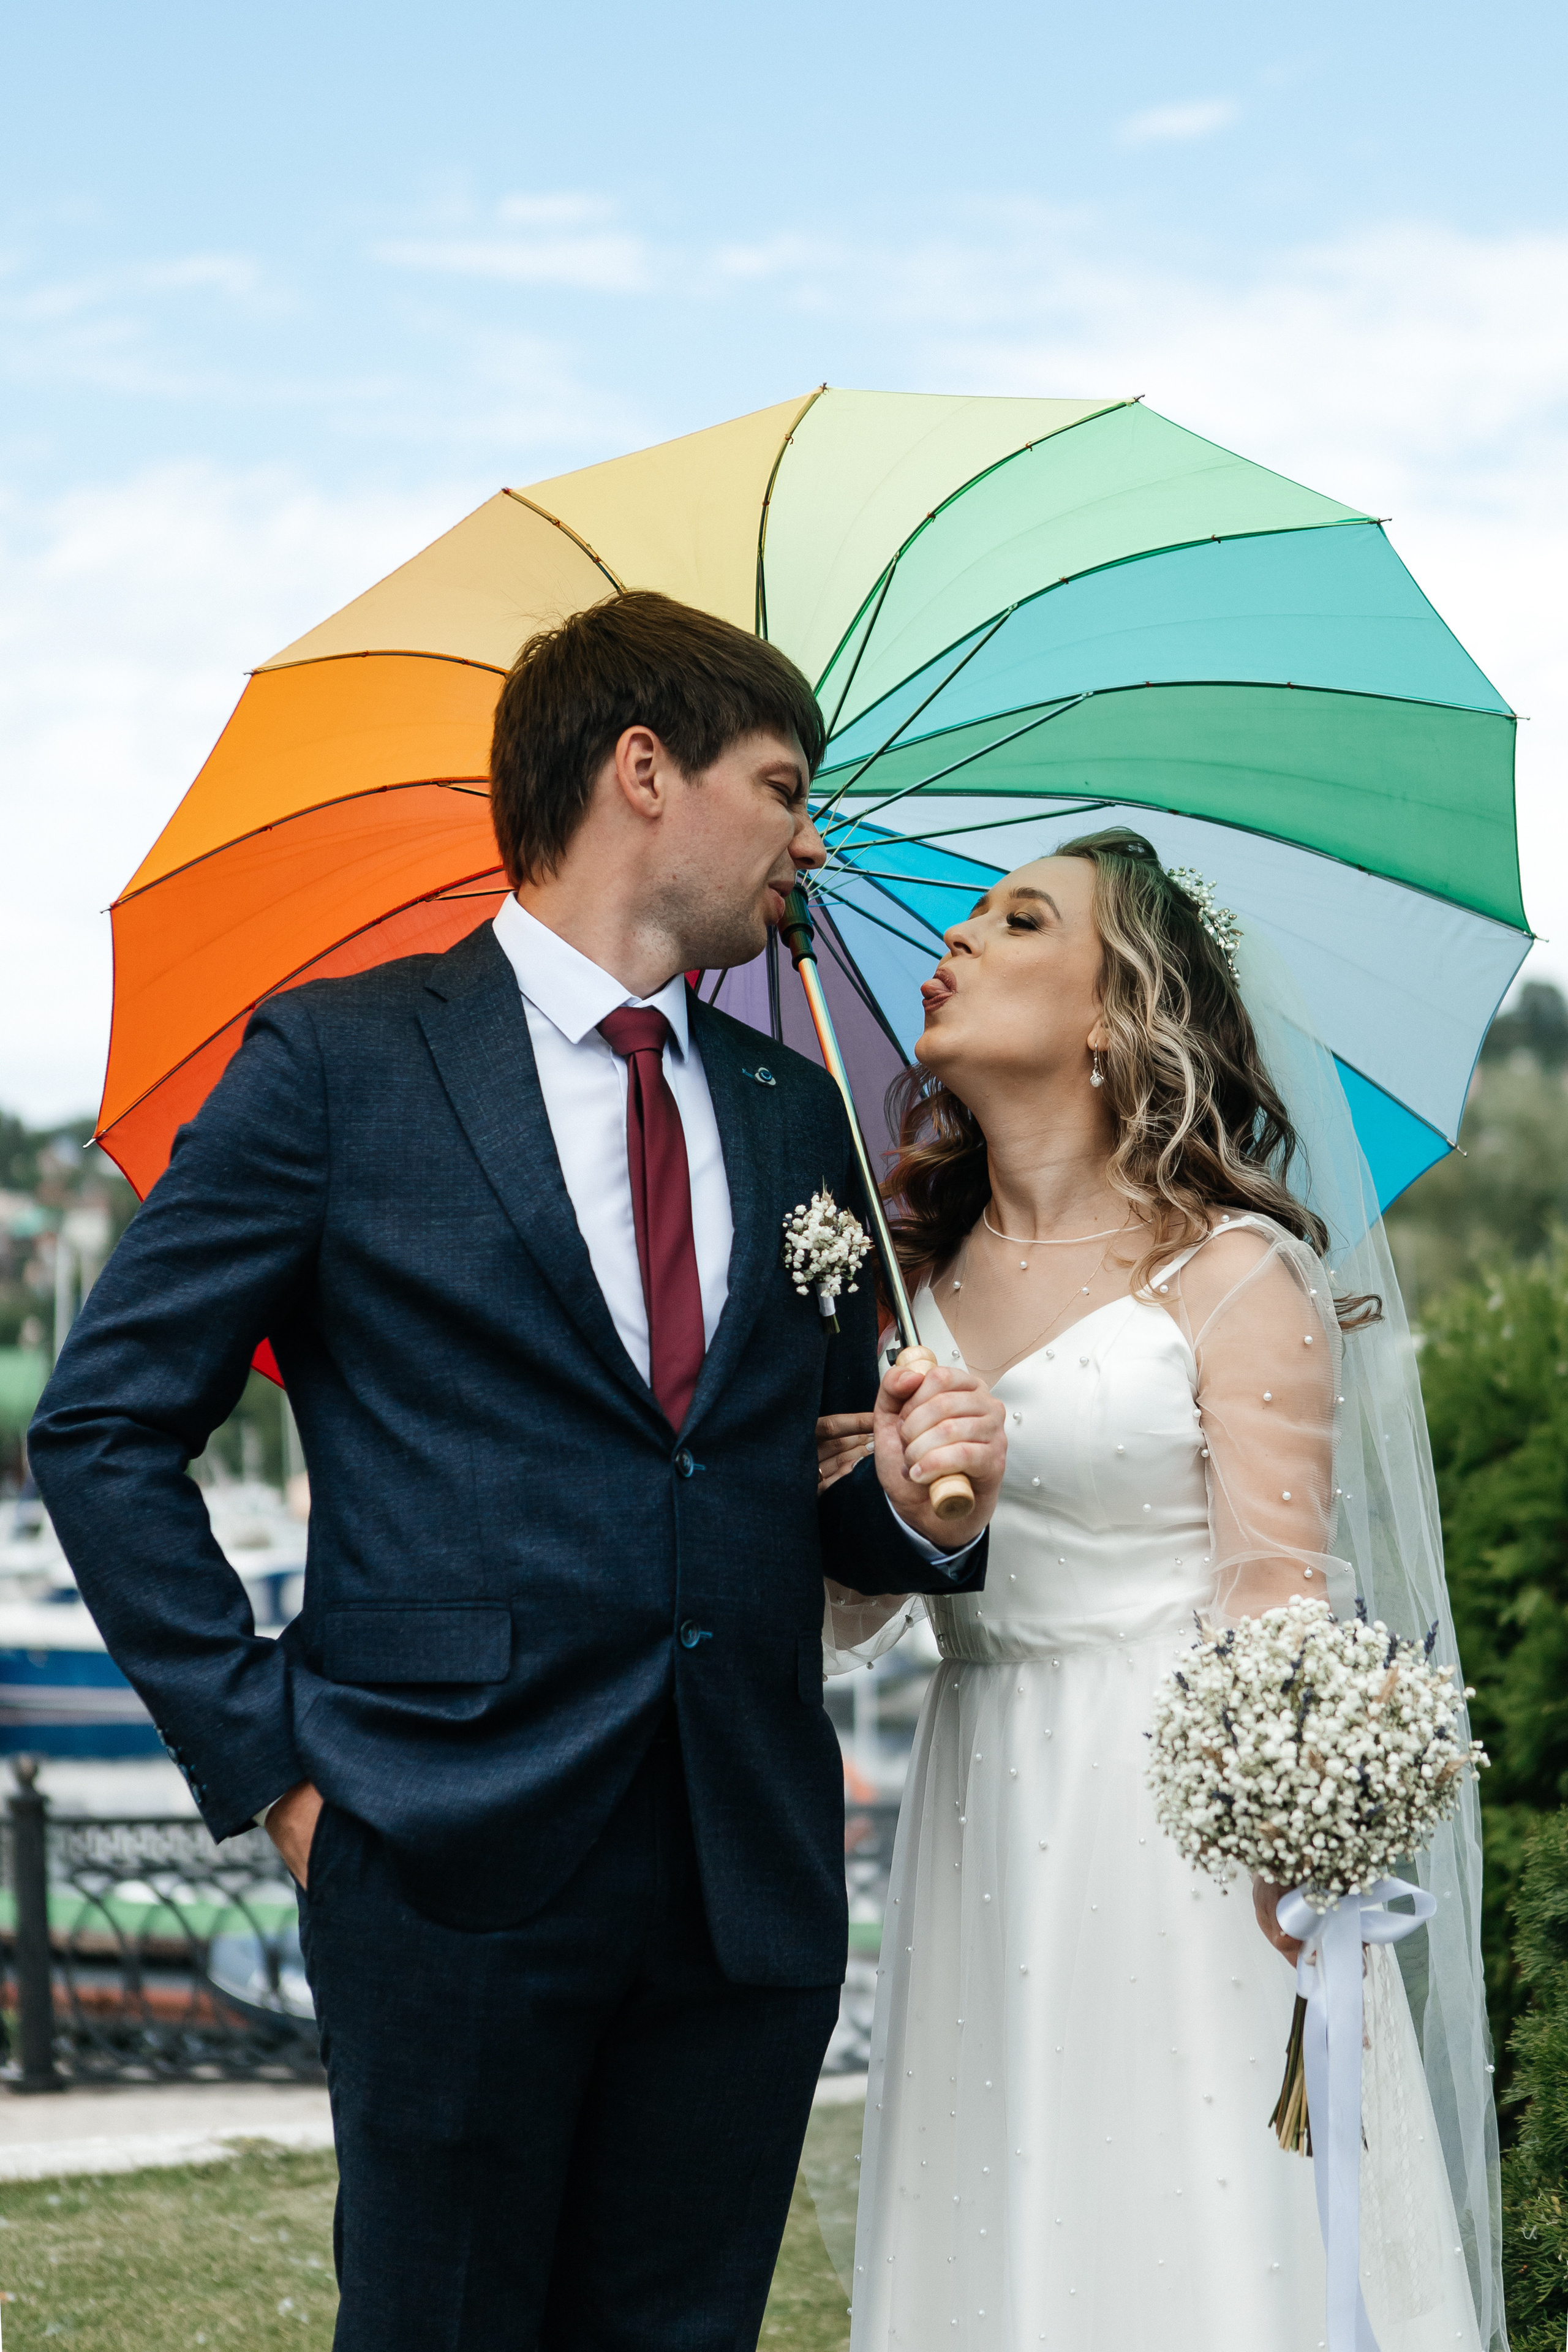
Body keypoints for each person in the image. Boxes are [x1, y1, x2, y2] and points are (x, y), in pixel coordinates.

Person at [27, 590, 1009, 2352]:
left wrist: (926, 1506)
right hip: (441, 1853)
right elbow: (100, 1429)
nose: (810, 834)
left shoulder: (799, 1114)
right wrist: (273, 1768)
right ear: (646, 770)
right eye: (784, 784)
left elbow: (787, 1484)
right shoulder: (338, 1064)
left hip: (744, 1874)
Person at [816, 831, 1502, 2351]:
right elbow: (843, 1612)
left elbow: (1280, 1605)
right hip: (983, 1785)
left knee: (1186, 2227)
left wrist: (1292, 1851)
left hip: (1186, 1822)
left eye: (1016, 920)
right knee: (997, 2206)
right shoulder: (894, 1284)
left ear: (1109, 1015)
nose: (959, 939)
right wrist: (882, 1493)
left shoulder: (1235, 1274)